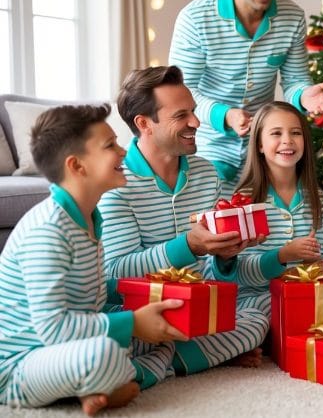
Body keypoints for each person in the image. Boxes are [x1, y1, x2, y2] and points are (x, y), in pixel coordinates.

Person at [0, 104, 187, 416]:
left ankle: (96, 384)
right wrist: (133, 323)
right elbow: (54, 327)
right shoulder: (48, 229)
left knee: (161, 335)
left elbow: (94, 296)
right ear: (77, 166)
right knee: (106, 351)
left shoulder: (90, 218)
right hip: (20, 363)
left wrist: (149, 295)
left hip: (64, 347)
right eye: (110, 145)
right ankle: (105, 382)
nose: (124, 150)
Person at [98, 66, 268, 374]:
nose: (196, 122)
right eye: (181, 116)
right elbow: (117, 271)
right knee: (111, 335)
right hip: (144, 310)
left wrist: (226, 254)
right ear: (144, 123)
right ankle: (186, 358)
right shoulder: (117, 183)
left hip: (197, 308)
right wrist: (188, 246)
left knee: (256, 320)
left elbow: (213, 273)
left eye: (192, 111)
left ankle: (162, 362)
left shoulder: (205, 173)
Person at [168, 0, 323, 196]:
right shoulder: (195, 18)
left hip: (264, 148)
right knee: (216, 229)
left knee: (271, 230)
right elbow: (181, 93)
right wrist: (225, 115)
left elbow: (294, 82)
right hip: (208, 146)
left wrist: (304, 97)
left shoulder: (292, 16)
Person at [225, 101, 323, 316]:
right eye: (276, 133)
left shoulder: (317, 198)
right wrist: (282, 255)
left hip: (303, 294)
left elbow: (320, 260)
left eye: (296, 133)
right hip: (255, 301)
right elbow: (239, 272)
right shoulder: (244, 200)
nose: (287, 141)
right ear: (259, 144)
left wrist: (318, 263)